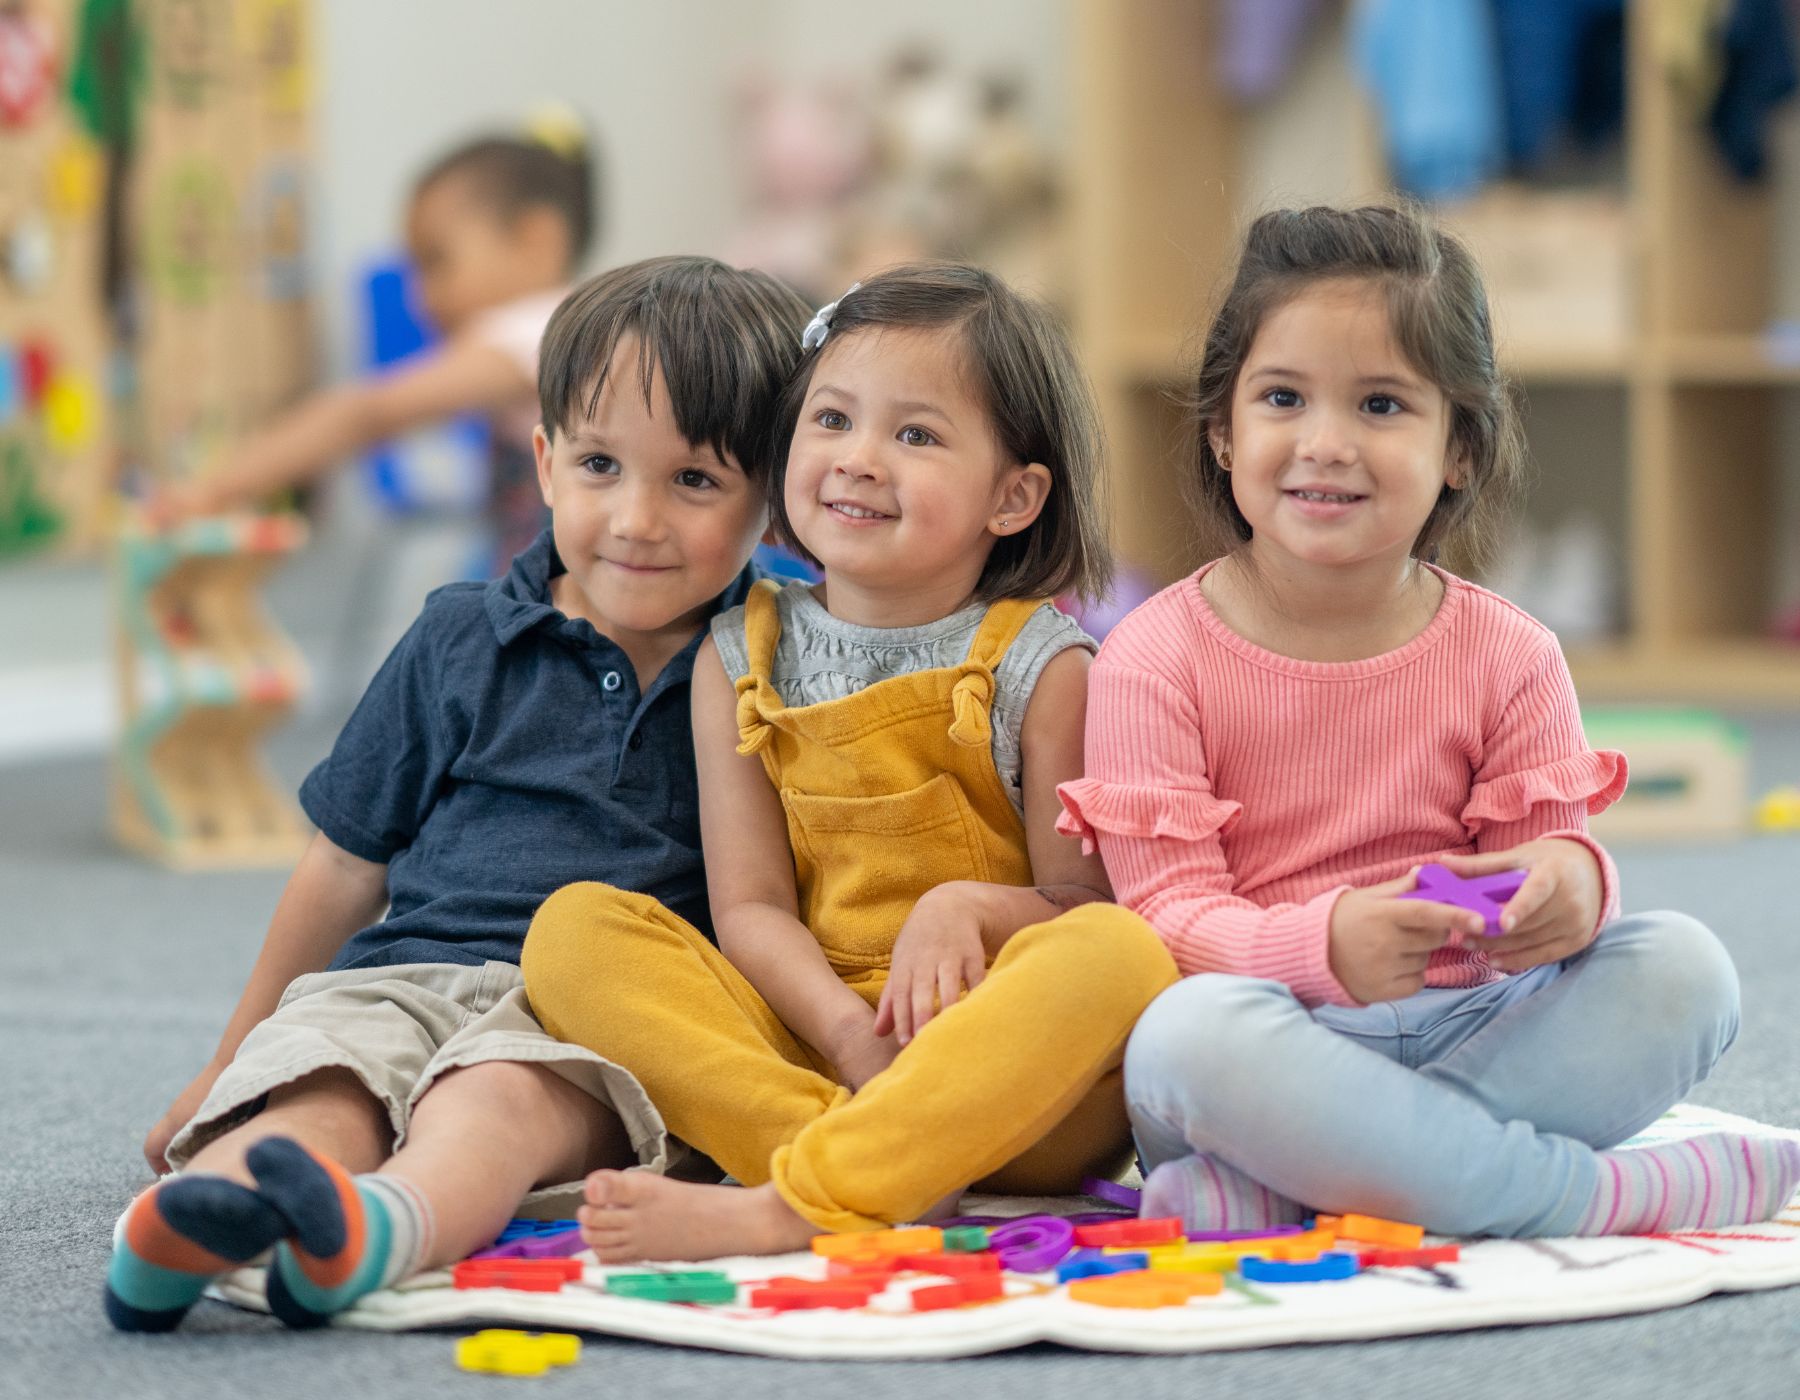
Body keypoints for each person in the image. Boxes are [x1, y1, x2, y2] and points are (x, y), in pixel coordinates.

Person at [1058, 203, 1800, 1239]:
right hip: (1267, 1042)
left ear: (1460, 445)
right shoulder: (1155, 653)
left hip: (1477, 1026)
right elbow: (1167, 921)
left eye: (1380, 404)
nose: (1326, 443)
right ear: (1224, 431)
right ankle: (1573, 1196)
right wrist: (1325, 944)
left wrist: (1568, 890)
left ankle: (1311, 1188)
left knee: (1687, 968)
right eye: (1282, 397)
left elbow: (1545, 860)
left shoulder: (1509, 649)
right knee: (1182, 1032)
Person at [104, 256, 812, 1332]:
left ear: (773, 498)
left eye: (696, 481)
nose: (636, 518)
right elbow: (344, 861)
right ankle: (207, 1210)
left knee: (495, 1103)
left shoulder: (775, 655)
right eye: (601, 464)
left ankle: (385, 1225)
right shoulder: (458, 636)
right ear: (543, 461)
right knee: (323, 1084)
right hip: (407, 971)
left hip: (594, 1016)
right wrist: (227, 1057)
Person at [521, 264, 1178, 1262]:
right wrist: (841, 1028)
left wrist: (963, 907)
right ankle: (867, 1162)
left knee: (1124, 957)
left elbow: (1081, 903)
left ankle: (801, 1196)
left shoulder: (1047, 665)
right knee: (575, 932)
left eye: (914, 435)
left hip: (1014, 1090)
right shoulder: (738, 652)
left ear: (1014, 494)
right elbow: (749, 908)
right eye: (831, 419)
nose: (858, 459)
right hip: (826, 1045)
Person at [150, 124, 595, 567]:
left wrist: (215, 490)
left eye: (437, 262)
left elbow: (368, 413)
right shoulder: (569, 327)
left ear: (538, 241)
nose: (421, 297)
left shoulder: (532, 333)